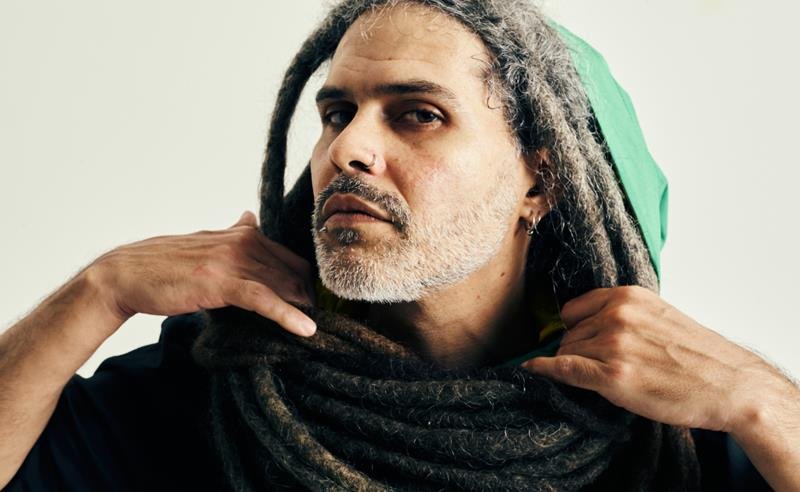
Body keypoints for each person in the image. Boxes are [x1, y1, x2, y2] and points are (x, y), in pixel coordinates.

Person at [1, 0, 797, 490]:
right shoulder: (215, 383)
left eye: (417, 113)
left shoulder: (670, 423)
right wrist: (97, 291)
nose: (347, 148)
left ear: (540, 182)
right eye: (336, 113)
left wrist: (768, 406)